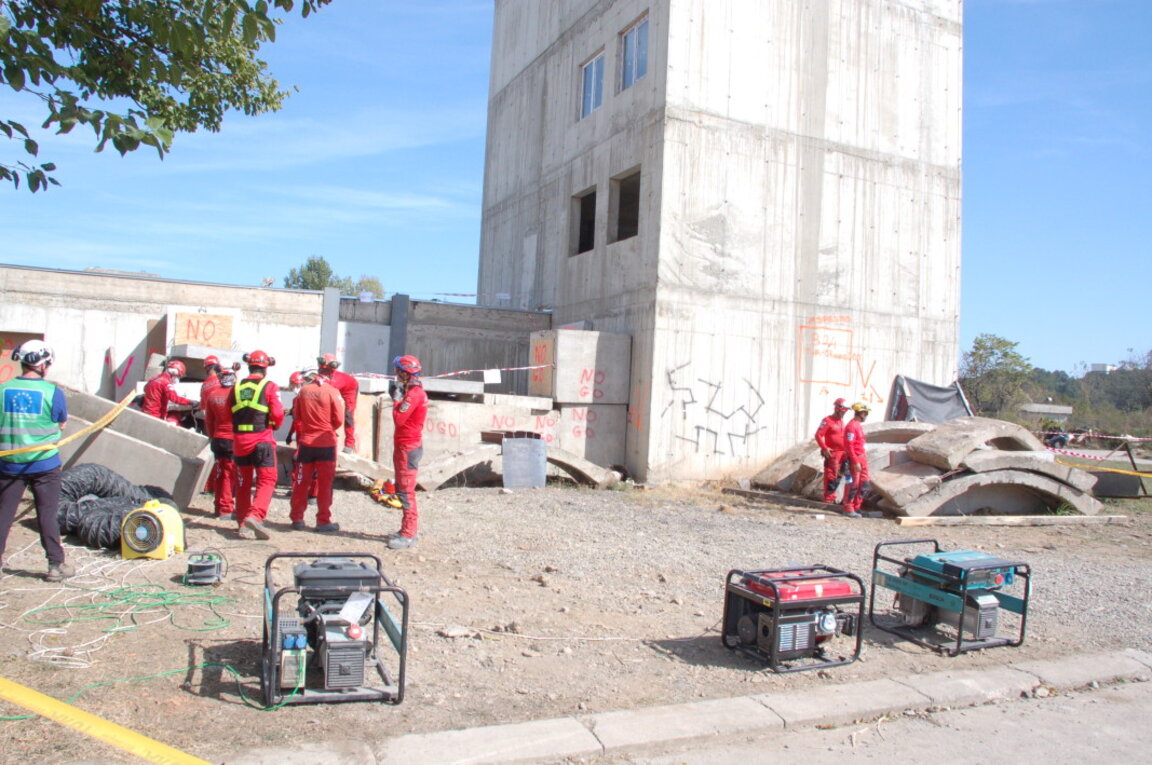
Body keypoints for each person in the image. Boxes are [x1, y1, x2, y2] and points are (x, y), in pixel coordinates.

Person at [0, 340, 74, 581]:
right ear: (42, 364)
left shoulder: (2, 390)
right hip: (44, 465)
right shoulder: (52, 393)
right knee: (47, 514)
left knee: (4, 514)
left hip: (10, 464)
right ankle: (55, 565)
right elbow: (61, 421)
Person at [230, 350, 284, 539]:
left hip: (239, 441)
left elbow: (230, 413)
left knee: (243, 482)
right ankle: (256, 515)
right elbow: (277, 414)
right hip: (262, 440)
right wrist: (275, 425)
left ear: (249, 366)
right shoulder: (269, 386)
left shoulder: (236, 387)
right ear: (265, 368)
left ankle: (243, 523)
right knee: (267, 479)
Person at [288, 369, 345, 533]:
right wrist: (327, 429)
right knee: (325, 484)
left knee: (300, 482)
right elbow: (339, 419)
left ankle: (297, 518)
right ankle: (323, 521)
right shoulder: (332, 391)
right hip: (326, 443)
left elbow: (297, 415)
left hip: (306, 442)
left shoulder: (304, 391)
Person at [387, 355, 428, 550]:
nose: (396, 375)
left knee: (405, 490)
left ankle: (409, 533)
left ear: (404, 373)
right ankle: (407, 529)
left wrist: (395, 400)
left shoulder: (414, 395)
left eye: (398, 371)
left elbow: (399, 419)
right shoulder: (413, 391)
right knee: (402, 488)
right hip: (406, 445)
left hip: (407, 447)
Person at [202, 369, 238, 519]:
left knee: (220, 473)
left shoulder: (213, 395)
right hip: (231, 439)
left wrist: (212, 436)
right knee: (229, 474)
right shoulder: (236, 395)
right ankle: (226, 508)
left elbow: (209, 420)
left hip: (217, 438)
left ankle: (219, 505)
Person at [317, 353, 360, 454]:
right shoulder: (321, 375)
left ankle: (349, 443)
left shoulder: (335, 380)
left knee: (348, 414)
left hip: (350, 388)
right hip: (336, 389)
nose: (323, 372)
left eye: (326, 370)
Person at [814, 397, 849, 504]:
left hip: (842, 453)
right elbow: (818, 435)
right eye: (843, 411)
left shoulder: (841, 422)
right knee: (831, 475)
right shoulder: (827, 421)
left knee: (840, 474)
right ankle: (828, 498)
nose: (844, 414)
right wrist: (824, 448)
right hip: (833, 453)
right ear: (837, 409)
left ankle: (835, 496)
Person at [141, 359, 197, 425]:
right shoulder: (166, 383)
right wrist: (191, 402)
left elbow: (145, 389)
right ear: (174, 373)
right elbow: (175, 398)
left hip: (144, 413)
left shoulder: (154, 378)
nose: (177, 379)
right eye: (178, 376)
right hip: (155, 416)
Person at [842, 402, 871, 518]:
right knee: (853, 484)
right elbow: (849, 445)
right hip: (855, 458)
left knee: (864, 483)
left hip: (861, 457)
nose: (866, 416)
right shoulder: (851, 426)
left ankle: (857, 507)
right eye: (865, 413)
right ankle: (848, 508)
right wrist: (855, 461)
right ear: (861, 413)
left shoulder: (858, 425)